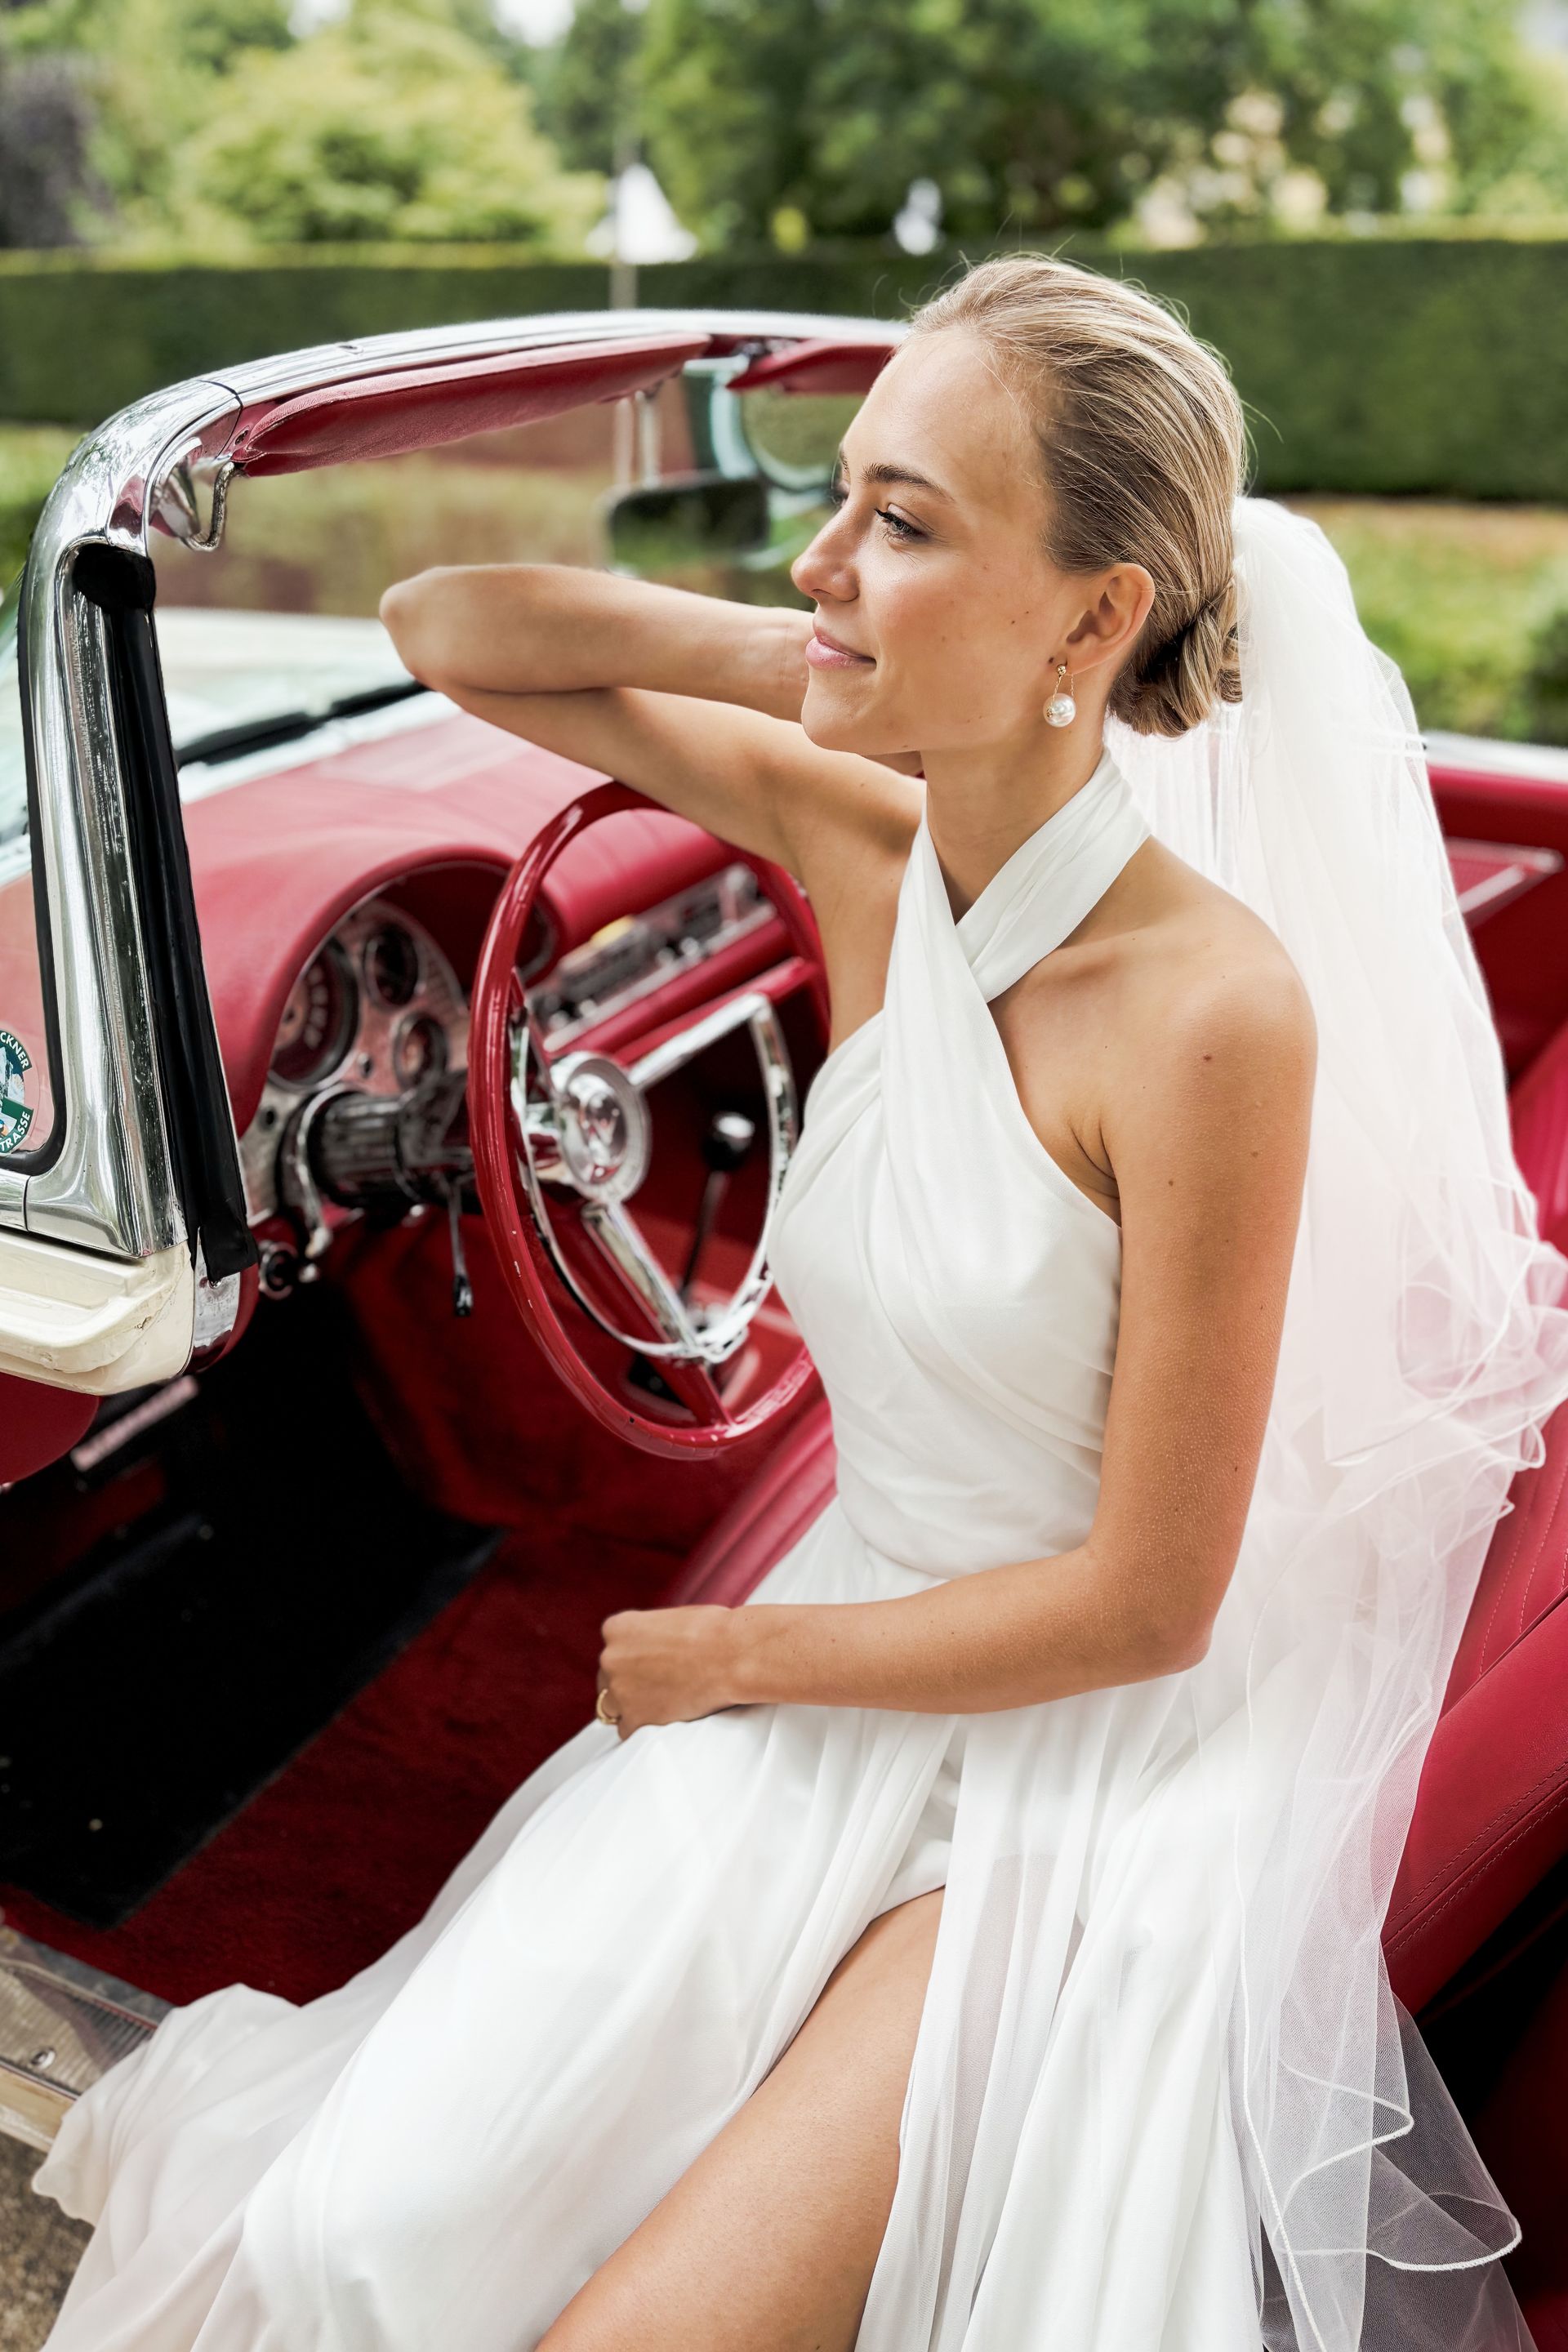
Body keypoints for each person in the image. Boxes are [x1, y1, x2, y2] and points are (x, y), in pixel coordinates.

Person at [33, 255, 1568, 2351]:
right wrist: (827, 650)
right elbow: (441, 624)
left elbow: (1147, 1608)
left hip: (1070, 1756)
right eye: (835, 498)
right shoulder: (862, 843)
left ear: (1094, 623)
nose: (823, 557)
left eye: (905, 521)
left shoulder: (1212, 1014)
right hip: (846, 1635)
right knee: (351, 2241)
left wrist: (732, 1655)